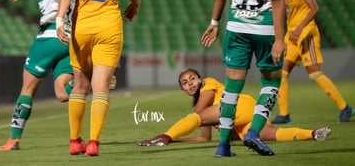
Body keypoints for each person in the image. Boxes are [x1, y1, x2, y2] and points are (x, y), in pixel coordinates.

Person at [201, 0, 288, 157]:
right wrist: (280, 39)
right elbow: (278, 0)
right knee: (271, 83)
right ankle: (253, 133)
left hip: (236, 28)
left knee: (231, 89)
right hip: (265, 29)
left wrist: (214, 23)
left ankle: (223, 145)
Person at [56, 0, 140, 157]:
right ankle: (93, 143)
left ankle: (74, 141)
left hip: (81, 25)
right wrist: (135, 4)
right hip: (109, 25)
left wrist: (60, 20)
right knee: (100, 87)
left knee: (79, 86)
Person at [0, 0, 75, 151]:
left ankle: (13, 140)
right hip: (71, 37)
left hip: (51, 35)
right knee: (62, 92)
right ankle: (90, 83)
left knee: (28, 89)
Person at [138, 69, 331, 146]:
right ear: (183, 90)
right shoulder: (200, 107)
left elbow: (197, 115)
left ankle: (163, 136)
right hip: (246, 116)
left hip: (238, 106)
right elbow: (204, 138)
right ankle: (313, 133)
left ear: (201, 79)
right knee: (273, 134)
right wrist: (179, 140)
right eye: (185, 82)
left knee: (195, 117)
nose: (190, 83)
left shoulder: (208, 84)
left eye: (193, 78)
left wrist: (170, 136)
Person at [271, 0, 354, 124]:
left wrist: (299, 29)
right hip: (291, 36)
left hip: (306, 33)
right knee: (281, 72)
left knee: (314, 74)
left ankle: (345, 108)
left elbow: (314, 9)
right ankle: (284, 114)